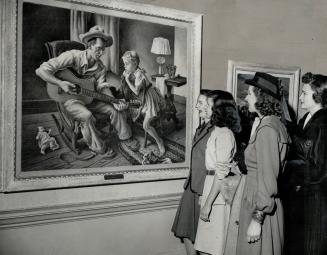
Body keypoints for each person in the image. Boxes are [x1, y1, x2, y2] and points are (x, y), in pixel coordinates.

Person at [35, 25, 139, 157]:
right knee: (87, 115)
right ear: (90, 45)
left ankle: (126, 138)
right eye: (98, 49)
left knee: (114, 110)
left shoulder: (100, 67)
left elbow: (102, 87)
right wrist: (60, 82)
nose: (101, 53)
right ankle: (98, 147)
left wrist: (114, 101)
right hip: (70, 100)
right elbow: (41, 70)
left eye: (103, 50)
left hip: (89, 99)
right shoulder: (72, 56)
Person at [235, 72, 290, 255]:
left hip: (259, 204)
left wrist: (257, 219)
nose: (246, 97)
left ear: (261, 97)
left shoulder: (267, 128)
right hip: (258, 199)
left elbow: (267, 176)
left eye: (250, 93)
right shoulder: (270, 123)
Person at [194, 90, 242, 255]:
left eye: (209, 105)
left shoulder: (225, 134)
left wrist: (208, 203)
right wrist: (205, 196)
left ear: (219, 110)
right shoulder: (217, 131)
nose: (205, 108)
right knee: (205, 248)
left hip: (218, 195)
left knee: (213, 249)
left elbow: (220, 174)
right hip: (211, 188)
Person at [283, 72, 327, 255]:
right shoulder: (307, 118)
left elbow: (316, 167)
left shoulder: (323, 122)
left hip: (314, 199)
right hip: (301, 194)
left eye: (304, 93)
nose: (300, 97)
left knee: (311, 246)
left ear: (319, 96)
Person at [171, 90, 218, 255]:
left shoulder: (216, 131)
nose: (197, 106)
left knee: (204, 240)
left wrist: (207, 198)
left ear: (212, 108)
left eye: (201, 103)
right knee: (186, 234)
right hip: (191, 188)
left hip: (203, 191)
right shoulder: (201, 128)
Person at [121, 50, 166, 156]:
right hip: (142, 98)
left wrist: (127, 80)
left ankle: (159, 142)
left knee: (146, 126)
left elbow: (136, 91)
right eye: (124, 64)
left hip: (149, 100)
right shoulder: (135, 72)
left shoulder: (139, 74)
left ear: (135, 64)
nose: (125, 66)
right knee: (126, 107)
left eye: (127, 64)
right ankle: (129, 134)